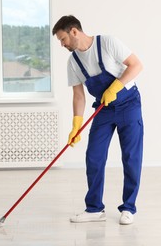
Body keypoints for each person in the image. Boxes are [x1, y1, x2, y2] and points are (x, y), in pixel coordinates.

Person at [52, 15, 144, 225]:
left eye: (63, 38)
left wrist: (115, 87)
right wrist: (76, 125)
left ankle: (128, 208)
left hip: (129, 104)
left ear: (74, 31)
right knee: (94, 156)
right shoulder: (73, 62)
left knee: (131, 158)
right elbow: (78, 95)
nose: (62, 44)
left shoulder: (108, 43)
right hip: (103, 109)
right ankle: (94, 208)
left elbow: (136, 65)